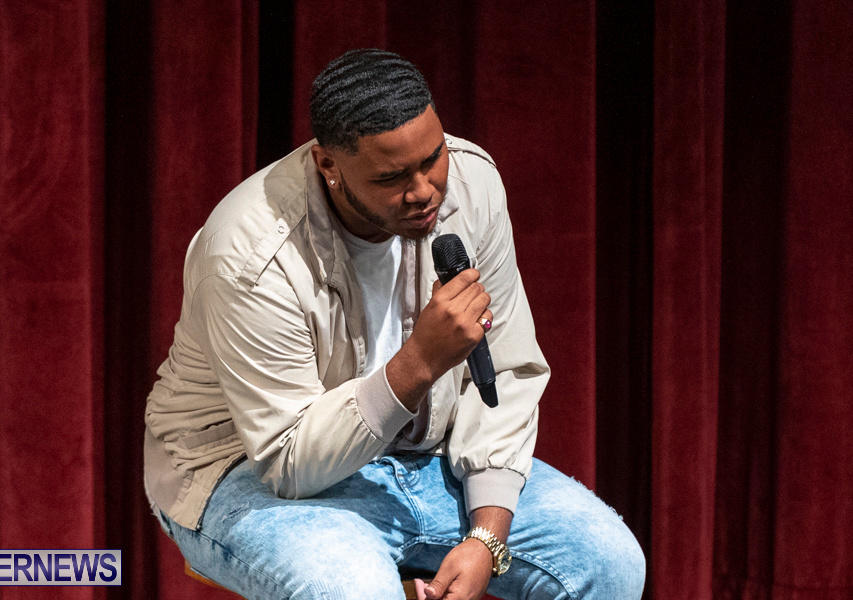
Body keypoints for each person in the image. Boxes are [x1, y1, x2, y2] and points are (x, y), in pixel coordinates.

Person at [144, 48, 645, 600]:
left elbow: (505, 370)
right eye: (392, 176)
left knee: (609, 564)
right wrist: (421, 361)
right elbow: (288, 461)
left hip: (428, 456)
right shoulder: (251, 254)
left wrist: (486, 535)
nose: (425, 190)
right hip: (244, 473)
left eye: (433, 157)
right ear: (327, 165)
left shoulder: (472, 184)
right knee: (351, 590)